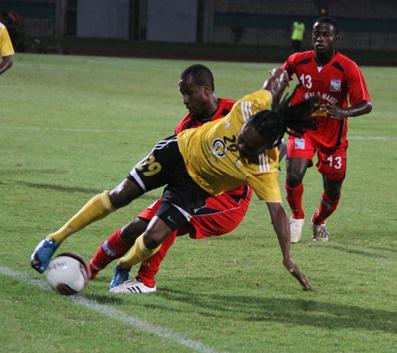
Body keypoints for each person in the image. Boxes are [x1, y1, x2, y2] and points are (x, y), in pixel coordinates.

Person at [31, 67, 316, 291]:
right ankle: (53, 240)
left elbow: (277, 212)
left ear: (265, 147)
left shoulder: (265, 167)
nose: (239, 146)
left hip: (196, 187)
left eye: (246, 147)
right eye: (241, 138)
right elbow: (275, 82)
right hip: (178, 151)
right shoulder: (247, 108)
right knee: (120, 195)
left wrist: (287, 258)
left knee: (153, 235)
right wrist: (282, 74)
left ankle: (124, 266)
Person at [88, 64, 252, 293]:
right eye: (182, 94)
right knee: (135, 228)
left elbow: (276, 145)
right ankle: (89, 270)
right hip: (193, 192)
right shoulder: (185, 127)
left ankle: (146, 280)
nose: (185, 100)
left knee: (171, 220)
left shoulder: (238, 113)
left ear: (206, 90)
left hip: (228, 202)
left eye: (189, 93)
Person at [282, 17, 372, 243]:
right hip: (303, 128)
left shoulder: (347, 67)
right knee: (294, 175)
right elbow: (281, 77)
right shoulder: (299, 60)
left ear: (335, 39)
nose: (319, 39)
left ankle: (319, 220)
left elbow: (366, 104)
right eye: (316, 35)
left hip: (333, 138)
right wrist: (274, 102)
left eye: (325, 35)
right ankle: (296, 217)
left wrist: (345, 112)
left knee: (333, 189)